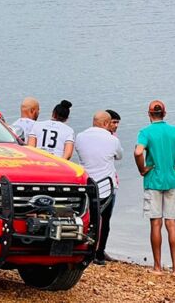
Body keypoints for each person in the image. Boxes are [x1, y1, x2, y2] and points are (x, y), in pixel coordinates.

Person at [134, 99, 175, 276]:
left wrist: (142, 169)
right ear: (164, 113)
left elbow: (138, 152)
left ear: (149, 114)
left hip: (153, 181)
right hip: (172, 180)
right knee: (172, 224)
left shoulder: (145, 132)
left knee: (155, 223)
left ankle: (157, 267)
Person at [75, 110, 123, 265]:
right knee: (105, 220)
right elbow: (119, 156)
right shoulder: (112, 140)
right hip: (106, 187)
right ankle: (99, 254)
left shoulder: (80, 137)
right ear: (105, 123)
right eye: (110, 123)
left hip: (87, 185)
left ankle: (85, 248)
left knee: (87, 218)